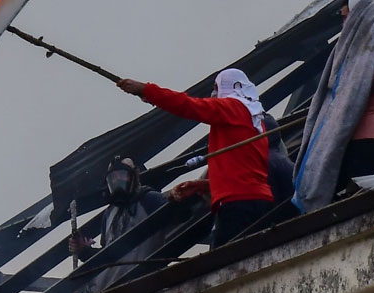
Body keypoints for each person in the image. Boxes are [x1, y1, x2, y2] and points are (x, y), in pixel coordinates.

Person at [117, 69, 273, 248]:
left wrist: (146, 90)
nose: (214, 93)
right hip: (256, 200)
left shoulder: (233, 108)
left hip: (237, 204)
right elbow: (243, 174)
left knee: (226, 262)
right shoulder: (255, 121)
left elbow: (188, 105)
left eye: (217, 87)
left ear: (229, 86)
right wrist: (204, 185)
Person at [293, 0, 374, 213]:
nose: (345, 21)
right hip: (361, 131)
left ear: (359, 13)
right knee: (349, 188)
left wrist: (350, 87)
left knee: (358, 192)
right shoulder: (365, 40)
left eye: (346, 15)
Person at [68, 157, 168, 293]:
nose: (117, 182)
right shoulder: (108, 214)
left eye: (121, 176)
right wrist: (84, 251)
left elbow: (183, 215)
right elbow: (110, 256)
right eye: (112, 179)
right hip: (106, 292)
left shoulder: (150, 200)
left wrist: (179, 198)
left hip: (140, 288)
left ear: (135, 175)